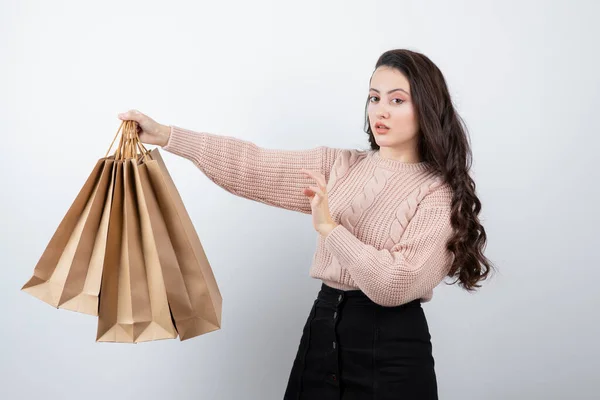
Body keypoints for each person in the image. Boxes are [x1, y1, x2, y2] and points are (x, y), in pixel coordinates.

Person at [117, 48, 494, 400]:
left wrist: (331, 229)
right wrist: (168, 136)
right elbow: (253, 165)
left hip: (392, 347)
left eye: (397, 99)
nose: (381, 110)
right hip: (323, 327)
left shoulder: (437, 193)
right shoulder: (342, 166)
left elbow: (395, 285)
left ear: (426, 107)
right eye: (374, 97)